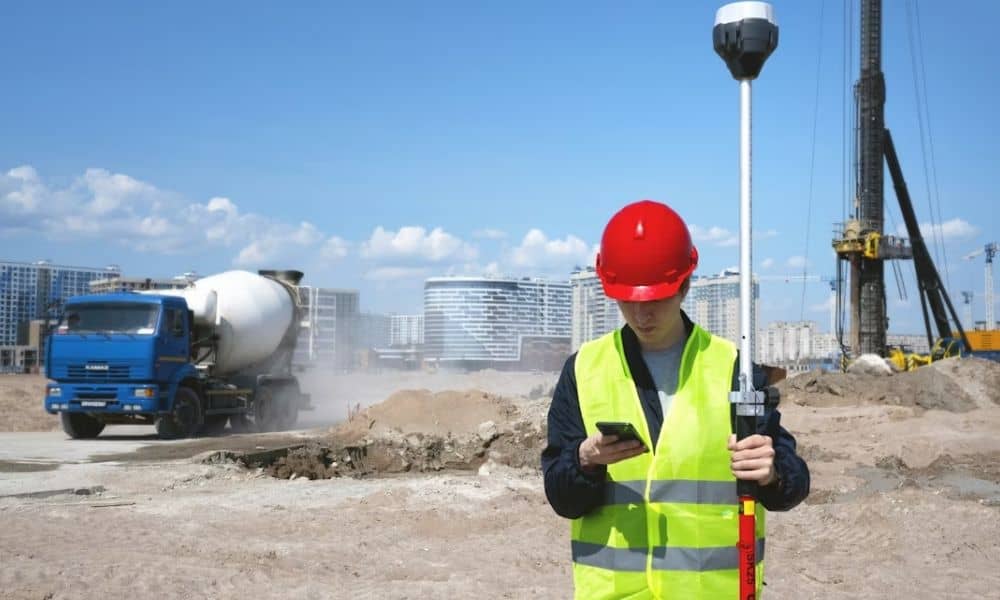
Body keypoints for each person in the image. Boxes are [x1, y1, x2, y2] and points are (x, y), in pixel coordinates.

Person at [542, 200, 809, 599]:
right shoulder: (583, 370)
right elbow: (562, 498)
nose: (641, 314)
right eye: (628, 300)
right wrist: (585, 460)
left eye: (655, 300)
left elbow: (792, 485)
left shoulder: (733, 369)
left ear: (685, 285)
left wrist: (772, 472)